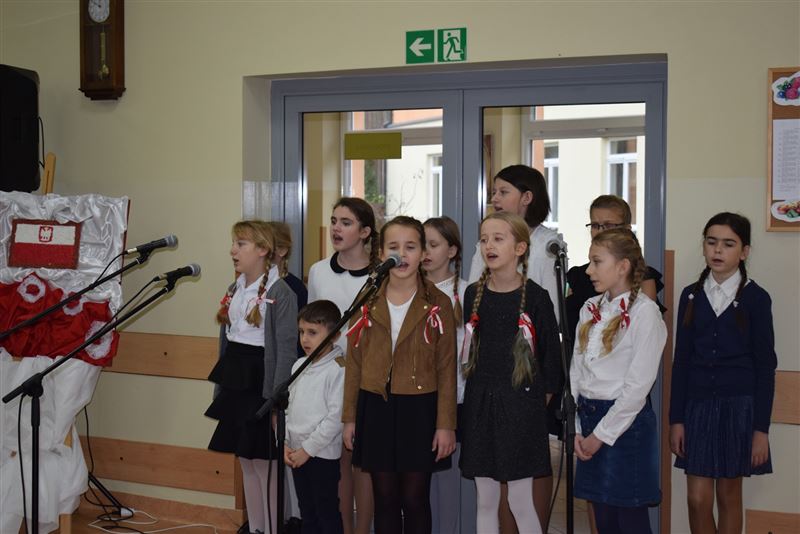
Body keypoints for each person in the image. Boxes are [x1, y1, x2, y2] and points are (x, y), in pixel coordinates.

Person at [342, 216, 457, 534]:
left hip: (419, 408)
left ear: (423, 254)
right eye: (394, 247)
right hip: (375, 405)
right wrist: (349, 417)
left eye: (411, 247)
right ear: (381, 253)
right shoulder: (367, 299)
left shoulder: (438, 303)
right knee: (385, 498)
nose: (402, 255)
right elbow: (355, 363)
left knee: (415, 498)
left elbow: (447, 367)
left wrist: (445, 424)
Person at [467, 164, 564, 531]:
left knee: (521, 501)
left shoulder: (536, 297)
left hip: (522, 405)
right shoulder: (473, 294)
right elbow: (470, 352)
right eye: (484, 240)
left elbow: (550, 359)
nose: (489, 246)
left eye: (499, 239)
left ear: (520, 248)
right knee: (485, 500)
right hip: (481, 403)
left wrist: (536, 402)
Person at [669, 212, 776, 534]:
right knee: (697, 499)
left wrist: (760, 430)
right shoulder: (691, 295)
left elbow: (765, 367)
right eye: (711, 242)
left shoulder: (756, 298)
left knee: (729, 496)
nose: (718, 250)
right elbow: (681, 361)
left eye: (728, 244)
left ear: (744, 252)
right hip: (697, 407)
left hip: (739, 408)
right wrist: (677, 419)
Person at [570, 227, 667, 534]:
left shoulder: (645, 314)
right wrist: (577, 427)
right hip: (589, 418)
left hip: (625, 425)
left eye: (597, 262)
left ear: (622, 266)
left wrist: (600, 435)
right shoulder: (590, 308)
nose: (589, 270)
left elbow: (637, 388)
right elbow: (577, 370)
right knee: (603, 518)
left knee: (629, 518)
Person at [205, 220, 298, 534]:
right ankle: (256, 528)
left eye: (241, 244)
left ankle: (272, 529)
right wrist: (221, 389)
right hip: (237, 378)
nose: (233, 250)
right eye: (234, 243)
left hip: (261, 381)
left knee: (264, 463)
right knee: (245, 459)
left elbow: (285, 349)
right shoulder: (235, 288)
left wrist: (276, 399)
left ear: (262, 250)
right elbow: (227, 342)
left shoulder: (280, 291)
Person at [307, 197, 378, 534]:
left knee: (362, 463)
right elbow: (312, 323)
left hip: (366, 377)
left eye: (346, 223)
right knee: (337, 461)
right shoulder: (319, 271)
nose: (336, 228)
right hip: (329, 378)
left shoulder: (380, 275)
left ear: (365, 232)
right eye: (334, 220)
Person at [422, 216, 476, 534]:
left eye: (433, 245)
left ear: (452, 251)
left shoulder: (467, 293)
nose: (426, 252)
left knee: (448, 482)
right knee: (419, 485)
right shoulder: (410, 291)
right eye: (422, 245)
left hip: (454, 399)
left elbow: (470, 352)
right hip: (417, 398)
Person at [285, 300, 347, 534]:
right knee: (307, 512)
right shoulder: (299, 366)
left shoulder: (338, 369)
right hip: (296, 452)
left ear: (334, 335)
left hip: (321, 455)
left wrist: (307, 450)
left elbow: (335, 418)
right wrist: (286, 442)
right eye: (301, 332)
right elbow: (289, 408)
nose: (305, 339)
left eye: (312, 332)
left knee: (326, 512)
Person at [565, 194, 665, 337]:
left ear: (627, 229)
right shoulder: (578, 276)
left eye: (608, 225)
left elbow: (643, 330)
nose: (600, 231)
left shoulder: (643, 276)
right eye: (595, 225)